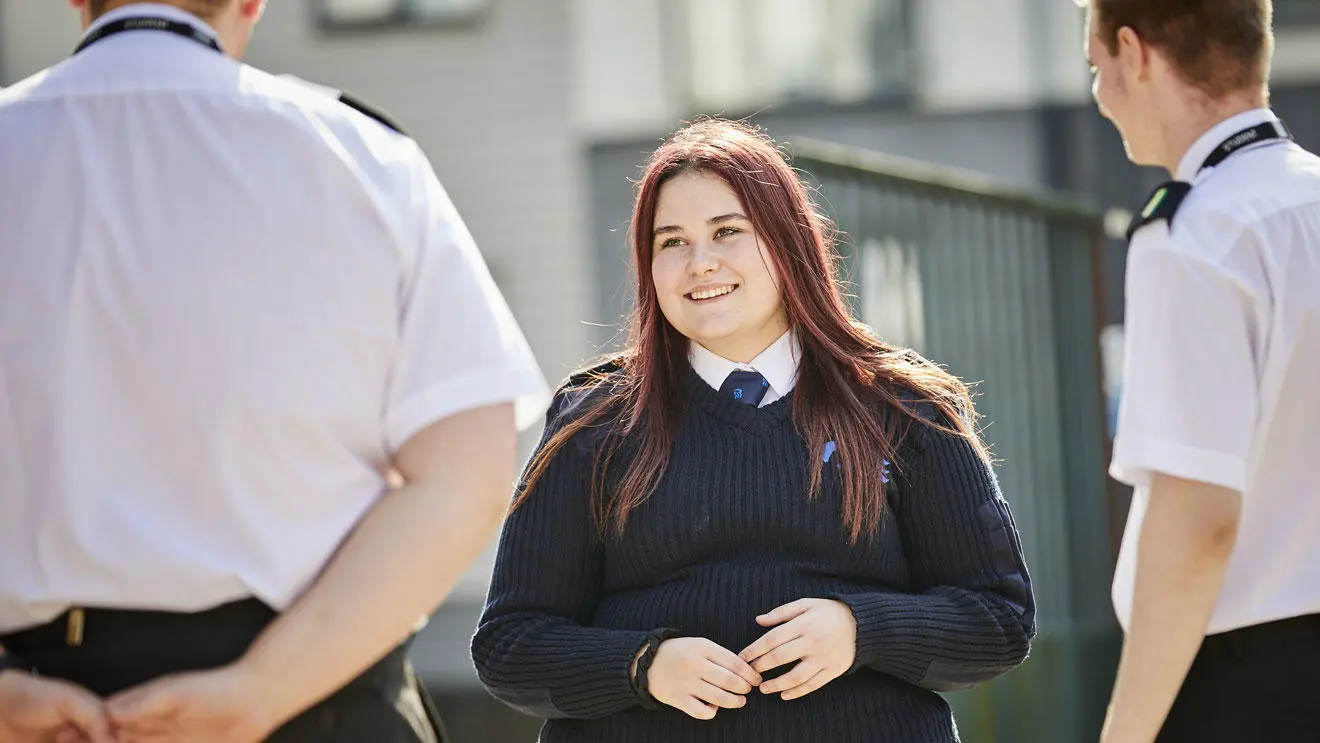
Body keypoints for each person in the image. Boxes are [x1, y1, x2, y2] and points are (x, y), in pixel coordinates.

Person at [0, 1, 550, 742]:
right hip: (317, 702)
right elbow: (467, 474)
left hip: (34, 706)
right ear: (252, 2)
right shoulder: (361, 154)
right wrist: (259, 692)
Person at [470, 118, 1036, 743]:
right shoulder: (595, 423)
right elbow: (511, 645)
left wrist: (862, 630)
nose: (700, 263)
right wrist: (642, 666)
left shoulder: (905, 409)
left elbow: (998, 620)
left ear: (788, 243)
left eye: (727, 232)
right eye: (672, 242)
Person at [1083, 1, 1320, 741]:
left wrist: (1127, 732)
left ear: (1135, 52)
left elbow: (1198, 520)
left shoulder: (1192, 237)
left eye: (1097, 68)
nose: (1099, 94)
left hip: (1248, 684)